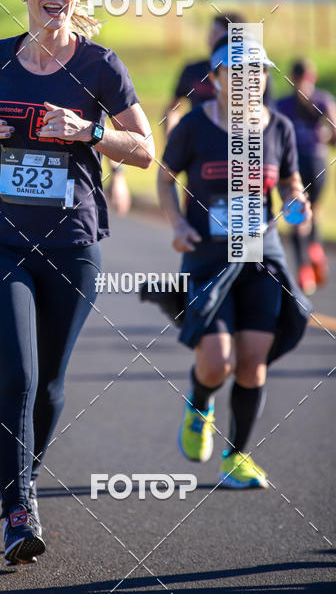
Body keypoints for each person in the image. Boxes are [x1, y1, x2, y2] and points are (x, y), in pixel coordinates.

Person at [0, 0, 154, 565]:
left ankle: (22, 480)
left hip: (71, 245)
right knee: (14, 374)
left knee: (49, 386)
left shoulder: (101, 65)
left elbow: (146, 149)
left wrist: (90, 133)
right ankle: (18, 512)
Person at [158, 32, 312, 489]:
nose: (250, 81)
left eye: (259, 72)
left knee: (252, 361)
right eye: (238, 73)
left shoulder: (278, 127)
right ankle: (200, 400)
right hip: (208, 256)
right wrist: (178, 225)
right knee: (217, 362)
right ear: (218, 78)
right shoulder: (195, 126)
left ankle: (236, 456)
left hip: (260, 255)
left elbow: (290, 180)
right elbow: (166, 178)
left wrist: (296, 199)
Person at [276, 59, 336, 295]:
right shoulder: (322, 99)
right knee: (313, 211)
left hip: (295, 164)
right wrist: (323, 136)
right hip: (318, 161)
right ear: (313, 76)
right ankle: (315, 251)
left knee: (297, 214)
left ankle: (304, 269)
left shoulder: (283, 103)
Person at [162, 13, 254, 136]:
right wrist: (172, 136)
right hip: (197, 141)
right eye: (210, 33)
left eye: (216, 33)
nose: (209, 38)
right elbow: (172, 109)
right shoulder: (192, 70)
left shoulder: (253, 75)